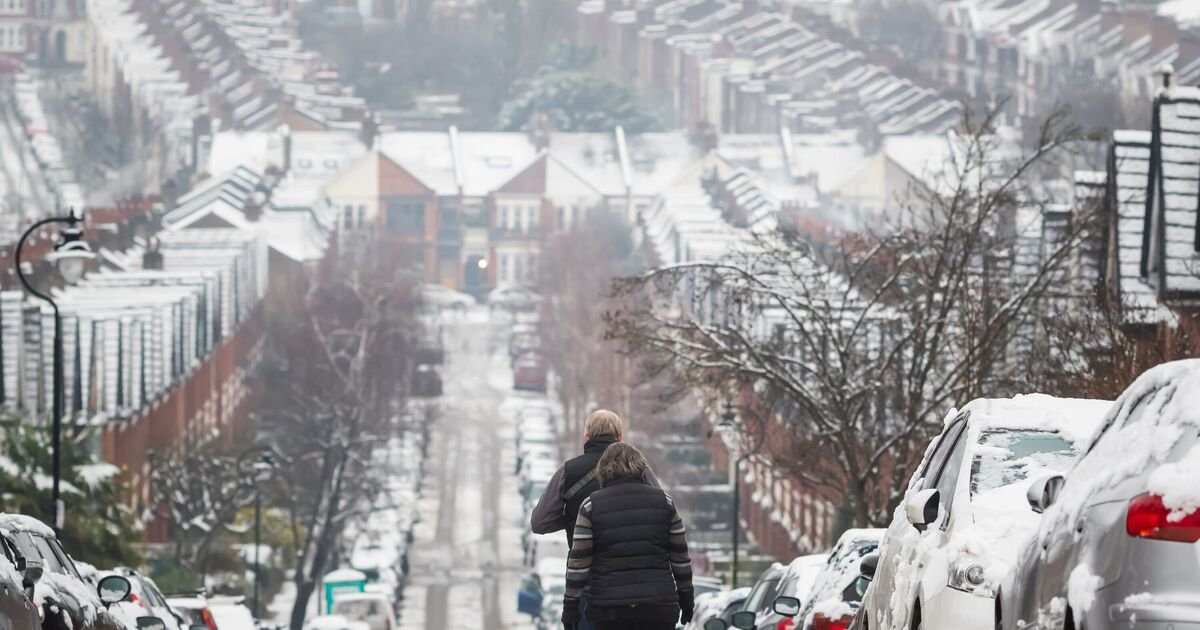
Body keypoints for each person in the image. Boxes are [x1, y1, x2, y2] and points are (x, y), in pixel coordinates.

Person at [530, 410, 659, 630]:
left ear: (586, 436)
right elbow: (661, 512)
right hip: (636, 587)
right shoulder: (641, 471)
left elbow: (540, 522)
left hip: (588, 585)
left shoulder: (568, 472)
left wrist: (575, 517)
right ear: (619, 437)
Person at [560, 443, 694, 630]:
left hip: (609, 611)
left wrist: (571, 606)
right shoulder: (664, 502)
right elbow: (680, 557)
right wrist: (686, 596)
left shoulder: (591, 506)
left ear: (604, 471)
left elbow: (579, 563)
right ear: (640, 468)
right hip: (658, 608)